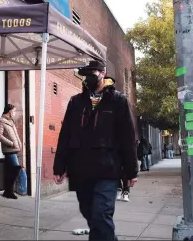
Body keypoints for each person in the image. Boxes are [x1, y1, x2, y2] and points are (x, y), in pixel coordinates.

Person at [53, 60, 138, 241]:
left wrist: (131, 171)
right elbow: (65, 134)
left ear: (102, 73)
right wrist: (59, 167)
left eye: (93, 72)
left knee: (101, 214)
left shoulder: (118, 101)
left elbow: (127, 138)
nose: (89, 77)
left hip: (107, 168)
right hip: (81, 169)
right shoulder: (76, 102)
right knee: (90, 214)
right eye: (86, 74)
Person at [0, 104, 22, 199]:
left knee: (11, 170)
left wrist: (19, 144)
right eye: (14, 111)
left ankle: (8, 191)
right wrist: (11, 143)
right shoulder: (1, 122)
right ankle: (8, 191)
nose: (14, 113)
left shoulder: (11, 122)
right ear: (9, 111)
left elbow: (15, 135)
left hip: (14, 149)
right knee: (15, 169)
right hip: (9, 150)